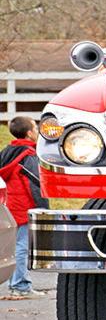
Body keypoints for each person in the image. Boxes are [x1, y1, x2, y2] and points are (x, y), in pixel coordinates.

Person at [2, 117, 47, 299]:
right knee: (22, 247)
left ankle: (15, 285)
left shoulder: (9, 152)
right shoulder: (27, 156)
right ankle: (21, 286)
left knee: (15, 247)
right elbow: (36, 184)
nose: (37, 131)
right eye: (35, 128)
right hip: (24, 207)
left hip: (11, 205)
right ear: (29, 133)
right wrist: (44, 207)